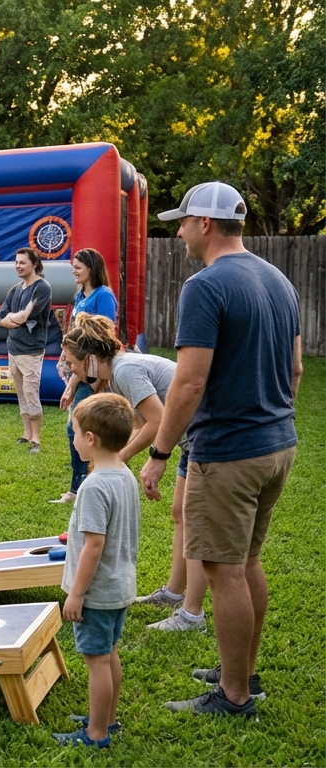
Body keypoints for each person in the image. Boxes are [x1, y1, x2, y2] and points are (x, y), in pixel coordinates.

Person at [144, 182, 301, 717]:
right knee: (246, 560)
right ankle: (243, 673)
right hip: (278, 444)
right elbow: (296, 369)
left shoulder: (205, 286)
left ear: (204, 225)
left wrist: (161, 453)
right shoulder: (278, 279)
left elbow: (188, 383)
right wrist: (270, 420)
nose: (179, 230)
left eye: (183, 221)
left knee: (221, 570)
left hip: (230, 452)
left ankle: (234, 696)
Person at [62, 314, 205, 631]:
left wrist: (121, 457)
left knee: (195, 525)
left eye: (72, 365)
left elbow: (158, 420)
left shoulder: (126, 370)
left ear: (90, 359)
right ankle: (173, 593)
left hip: (205, 436)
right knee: (181, 513)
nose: (71, 371)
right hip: (189, 438)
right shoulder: (116, 373)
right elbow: (142, 423)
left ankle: (192, 615)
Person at [53, 393, 140, 748]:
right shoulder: (124, 475)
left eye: (74, 432)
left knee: (96, 661)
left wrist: (76, 593)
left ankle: (96, 733)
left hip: (97, 593)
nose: (73, 439)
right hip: (119, 588)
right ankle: (108, 718)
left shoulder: (93, 487)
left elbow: (93, 546)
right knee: (108, 653)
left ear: (90, 439)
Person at [52, 248, 119, 503]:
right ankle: (85, 483)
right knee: (81, 427)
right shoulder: (80, 295)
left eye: (78, 267)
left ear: (91, 268)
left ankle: (80, 488)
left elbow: (104, 338)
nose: (74, 271)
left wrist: (73, 382)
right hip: (79, 368)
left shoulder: (104, 296)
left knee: (76, 427)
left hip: (93, 373)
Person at [0, 247, 53, 453]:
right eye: (16, 262)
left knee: (31, 393)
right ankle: (26, 433)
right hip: (13, 348)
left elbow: (23, 317)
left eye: (22, 262)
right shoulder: (15, 290)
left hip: (31, 351)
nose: (18, 266)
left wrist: (15, 318)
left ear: (34, 264)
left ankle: (36, 440)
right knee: (20, 392)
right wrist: (14, 318)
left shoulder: (42, 288)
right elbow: (0, 317)